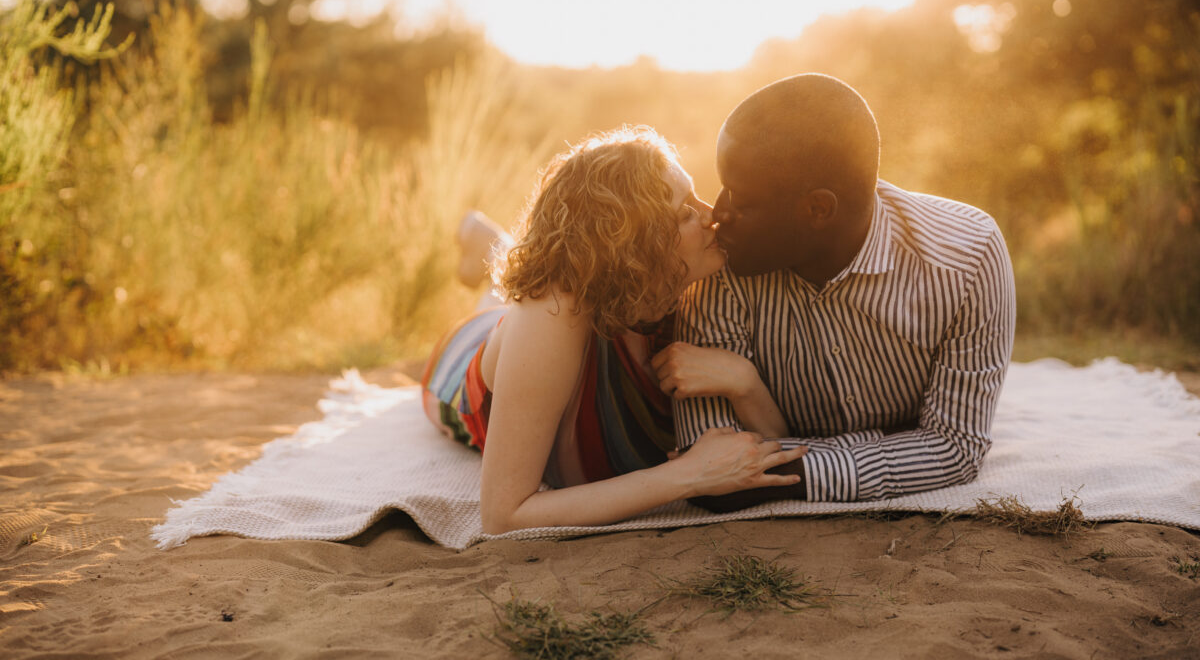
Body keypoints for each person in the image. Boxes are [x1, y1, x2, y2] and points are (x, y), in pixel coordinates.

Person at [652, 74, 1016, 509]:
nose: (719, 213)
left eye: (741, 201)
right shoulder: (719, 268)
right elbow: (710, 462)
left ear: (818, 209)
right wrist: (900, 448)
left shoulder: (967, 257)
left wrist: (788, 468)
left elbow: (954, 448)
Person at [421, 126, 808, 534]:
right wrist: (688, 476)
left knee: (512, 296)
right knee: (509, 303)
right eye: (684, 213)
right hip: (463, 359)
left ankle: (490, 242)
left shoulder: (694, 288)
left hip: (549, 318)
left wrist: (745, 383)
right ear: (634, 247)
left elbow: (773, 451)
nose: (712, 215)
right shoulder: (550, 314)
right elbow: (504, 516)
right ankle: (487, 244)